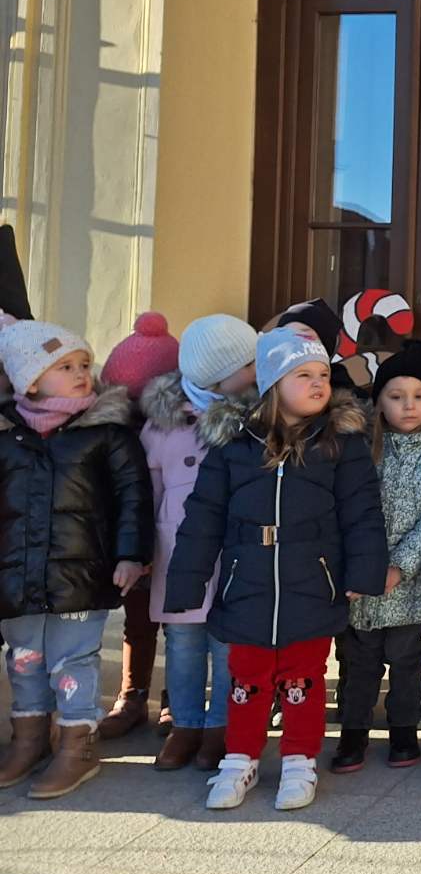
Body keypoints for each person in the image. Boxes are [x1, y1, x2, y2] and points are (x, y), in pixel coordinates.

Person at [164, 325, 388, 812]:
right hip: (248, 581)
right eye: (302, 374)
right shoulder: (234, 445)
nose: (318, 384)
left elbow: (363, 513)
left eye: (323, 375)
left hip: (313, 579)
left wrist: (360, 574)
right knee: (246, 680)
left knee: (303, 679)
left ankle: (299, 760)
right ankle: (239, 758)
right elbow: (203, 518)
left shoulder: (341, 444)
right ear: (271, 384)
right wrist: (187, 583)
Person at [0, 320, 153, 798]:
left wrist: (132, 554)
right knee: (24, 659)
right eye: (64, 367)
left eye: (84, 364)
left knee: (73, 659)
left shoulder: (107, 432)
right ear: (30, 379)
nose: (81, 373)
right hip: (17, 572)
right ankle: (28, 740)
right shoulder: (7, 435)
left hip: (83, 571)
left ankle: (77, 745)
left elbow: (133, 497)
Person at [140, 313, 260, 771]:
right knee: (184, 642)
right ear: (219, 375)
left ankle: (220, 727)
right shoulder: (161, 426)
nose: (257, 370)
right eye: (247, 364)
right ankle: (185, 725)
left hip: (234, 549)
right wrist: (141, 550)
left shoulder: (254, 419)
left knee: (228, 644)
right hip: (177, 551)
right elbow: (146, 493)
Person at [331, 340, 421, 774]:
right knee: (359, 661)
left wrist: (400, 566)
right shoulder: (361, 448)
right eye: (397, 397)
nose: (409, 407)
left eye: (419, 397)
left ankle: (403, 731)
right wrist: (361, 566)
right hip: (362, 578)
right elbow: (347, 509)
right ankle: (354, 733)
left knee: (405, 660)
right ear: (378, 401)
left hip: (407, 584)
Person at [98, 312, 181, 742]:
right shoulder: (108, 427)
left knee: (178, 622)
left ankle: (175, 697)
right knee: (138, 619)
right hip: (132, 536)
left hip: (173, 533)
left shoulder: (177, 425)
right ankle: (132, 695)